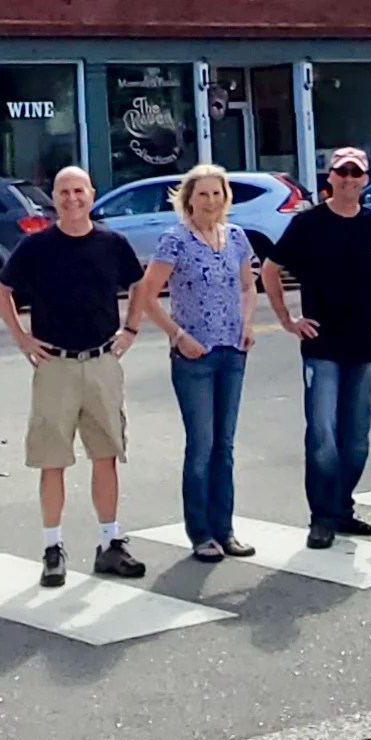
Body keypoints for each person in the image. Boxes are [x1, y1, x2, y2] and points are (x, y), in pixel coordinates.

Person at [0, 164, 148, 586]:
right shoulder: (36, 246)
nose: (72, 199)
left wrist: (131, 329)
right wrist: (22, 338)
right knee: (52, 460)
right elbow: (1, 290)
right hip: (54, 365)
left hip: (101, 362)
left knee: (106, 455)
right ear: (54, 199)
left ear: (92, 194)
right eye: (64, 192)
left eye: (79, 191)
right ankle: (53, 547)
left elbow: (140, 284)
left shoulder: (112, 243)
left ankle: (110, 542)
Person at [261, 144, 371, 550]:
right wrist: (288, 319)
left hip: (365, 344)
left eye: (356, 173)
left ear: (365, 179)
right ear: (331, 178)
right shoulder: (309, 224)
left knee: (355, 438)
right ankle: (321, 517)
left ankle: (343, 508)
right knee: (322, 434)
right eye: (343, 173)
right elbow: (270, 269)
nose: (349, 180)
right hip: (321, 345)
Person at [133, 162, 258, 561]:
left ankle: (225, 529)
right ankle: (200, 532)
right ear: (189, 199)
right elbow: (147, 295)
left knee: (225, 444)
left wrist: (247, 323)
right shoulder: (176, 240)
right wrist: (177, 335)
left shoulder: (236, 237)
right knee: (202, 444)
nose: (210, 201)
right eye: (202, 194)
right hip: (194, 355)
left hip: (232, 351)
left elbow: (248, 285)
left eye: (217, 193)